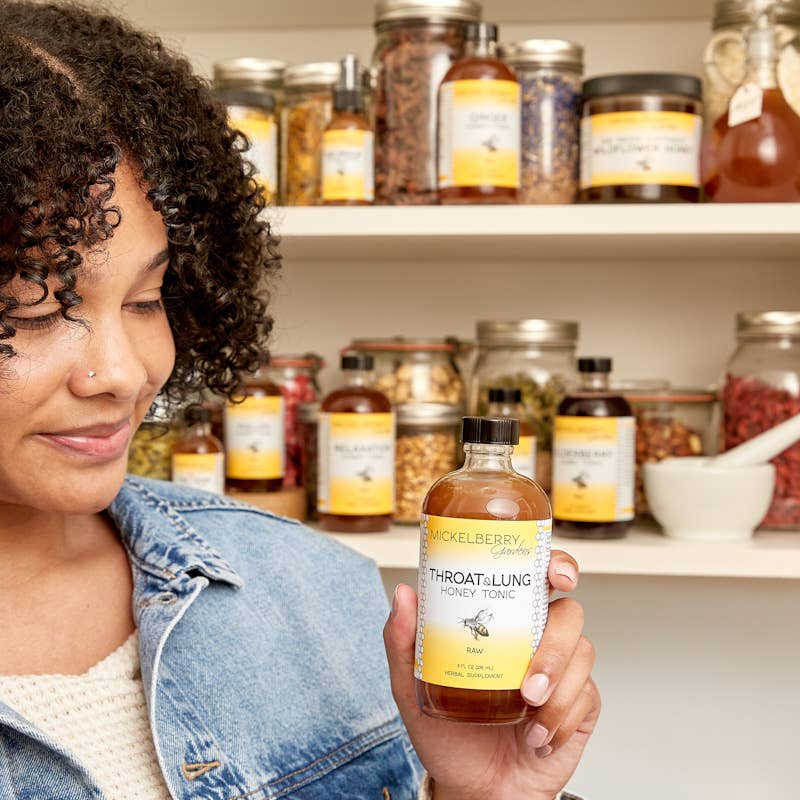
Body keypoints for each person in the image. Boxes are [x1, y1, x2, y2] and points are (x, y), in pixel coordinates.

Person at [0, 3, 601, 799]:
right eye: (35, 309)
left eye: (147, 300)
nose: (120, 370)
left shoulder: (312, 591)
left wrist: (482, 792)